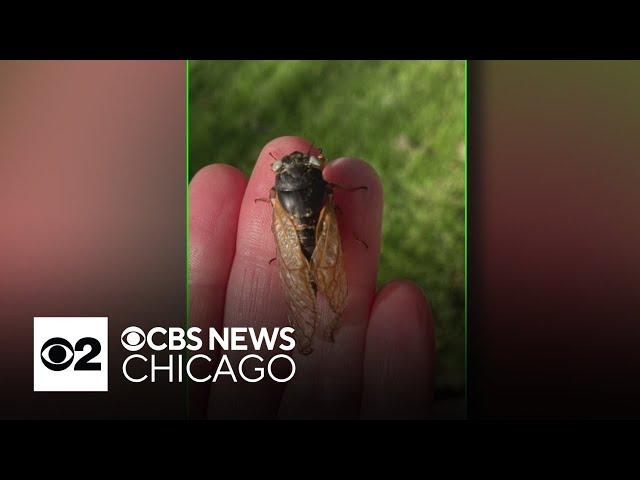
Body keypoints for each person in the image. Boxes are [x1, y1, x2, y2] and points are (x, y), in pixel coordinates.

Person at [189, 136, 435, 419]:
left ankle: (321, 309)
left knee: (304, 250)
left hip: (293, 231)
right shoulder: (323, 186)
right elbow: (333, 194)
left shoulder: (277, 191)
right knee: (330, 226)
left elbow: (276, 207)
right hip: (315, 226)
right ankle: (318, 310)